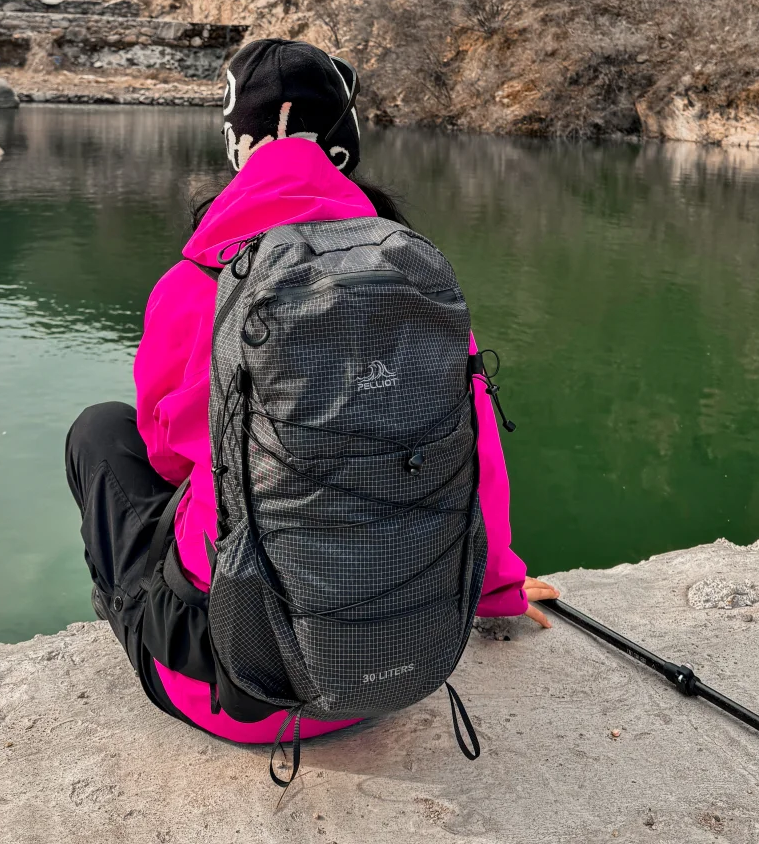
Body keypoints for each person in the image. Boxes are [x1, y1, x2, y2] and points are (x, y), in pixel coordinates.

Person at [65, 37, 559, 753]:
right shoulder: (415, 280)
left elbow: (170, 458)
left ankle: (134, 619)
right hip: (405, 669)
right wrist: (499, 590)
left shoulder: (199, 279)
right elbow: (476, 456)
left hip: (235, 689)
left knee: (99, 434)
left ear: (239, 149)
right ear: (345, 146)